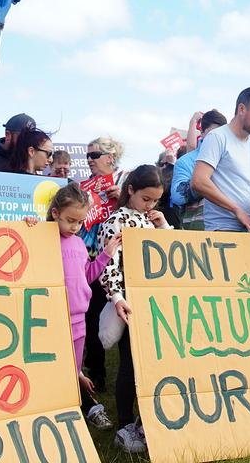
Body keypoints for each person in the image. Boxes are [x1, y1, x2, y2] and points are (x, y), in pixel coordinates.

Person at [97, 166, 171, 453]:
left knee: (147, 362)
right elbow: (109, 263)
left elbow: (169, 252)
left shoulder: (149, 219)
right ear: (130, 190)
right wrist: (116, 297)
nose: (150, 205)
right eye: (146, 199)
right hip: (129, 301)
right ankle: (124, 424)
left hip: (152, 299)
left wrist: (163, 224)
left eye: (155, 201)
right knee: (129, 362)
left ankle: (143, 420)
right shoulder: (115, 222)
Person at [44, 183, 118, 431]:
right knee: (53, 365)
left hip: (78, 320)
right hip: (53, 318)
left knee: (74, 365)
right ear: (55, 214)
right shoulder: (44, 238)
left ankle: (77, 406)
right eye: (70, 220)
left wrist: (105, 254)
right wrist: (30, 226)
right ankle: (58, 408)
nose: (75, 226)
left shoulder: (77, 243)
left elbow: (87, 275)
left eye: (79, 221)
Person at [191, 87, 250, 234]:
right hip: (224, 228)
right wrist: (237, 210)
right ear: (242, 109)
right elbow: (198, 181)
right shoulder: (217, 137)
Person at [80, 135, 127, 396]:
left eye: (93, 155)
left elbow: (144, 209)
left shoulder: (124, 180)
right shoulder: (84, 184)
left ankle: (128, 377)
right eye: (87, 155)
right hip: (90, 260)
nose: (89, 160)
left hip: (117, 262)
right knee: (91, 317)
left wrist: (121, 197)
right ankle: (97, 374)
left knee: (118, 319)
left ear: (110, 157)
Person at [170, 110, 227, 231]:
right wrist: (203, 180)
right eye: (213, 133)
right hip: (198, 234)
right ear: (202, 132)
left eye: (223, 134)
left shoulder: (231, 159)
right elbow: (177, 196)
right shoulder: (185, 161)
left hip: (229, 228)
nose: (218, 138)